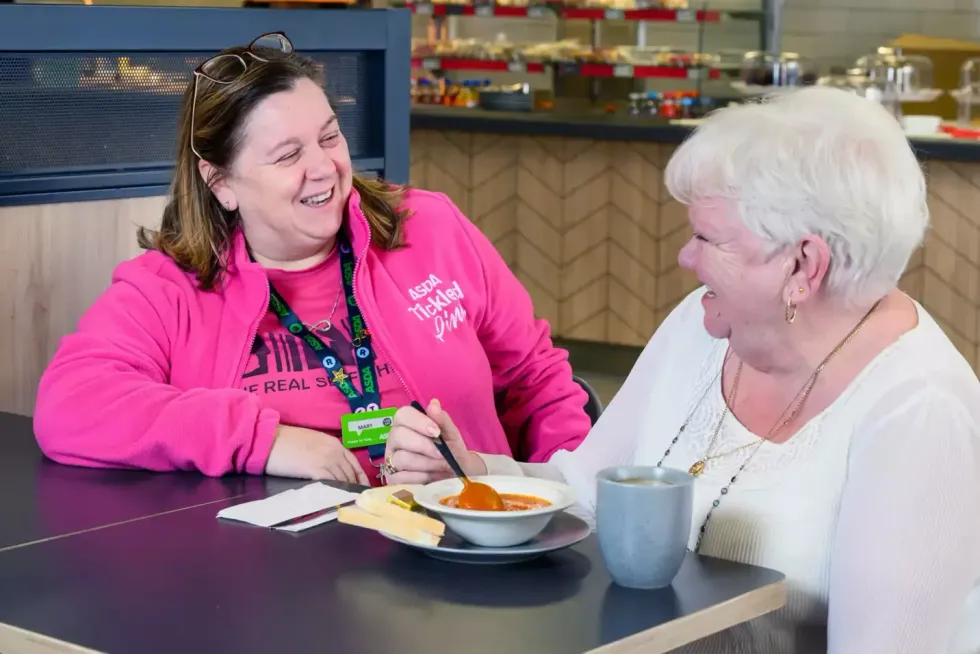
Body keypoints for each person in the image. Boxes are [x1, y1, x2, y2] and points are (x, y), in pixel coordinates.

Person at [385, 87, 980, 653]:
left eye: (707, 238)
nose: (685, 257)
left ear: (804, 264)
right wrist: (471, 473)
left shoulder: (922, 410)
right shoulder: (701, 327)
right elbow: (586, 491)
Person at [33, 33, 590, 487]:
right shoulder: (169, 287)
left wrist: (574, 495)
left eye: (330, 136)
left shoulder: (430, 229)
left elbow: (537, 381)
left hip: (463, 555)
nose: (324, 167)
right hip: (269, 583)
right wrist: (265, 440)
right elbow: (70, 405)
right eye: (288, 155)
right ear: (221, 182)